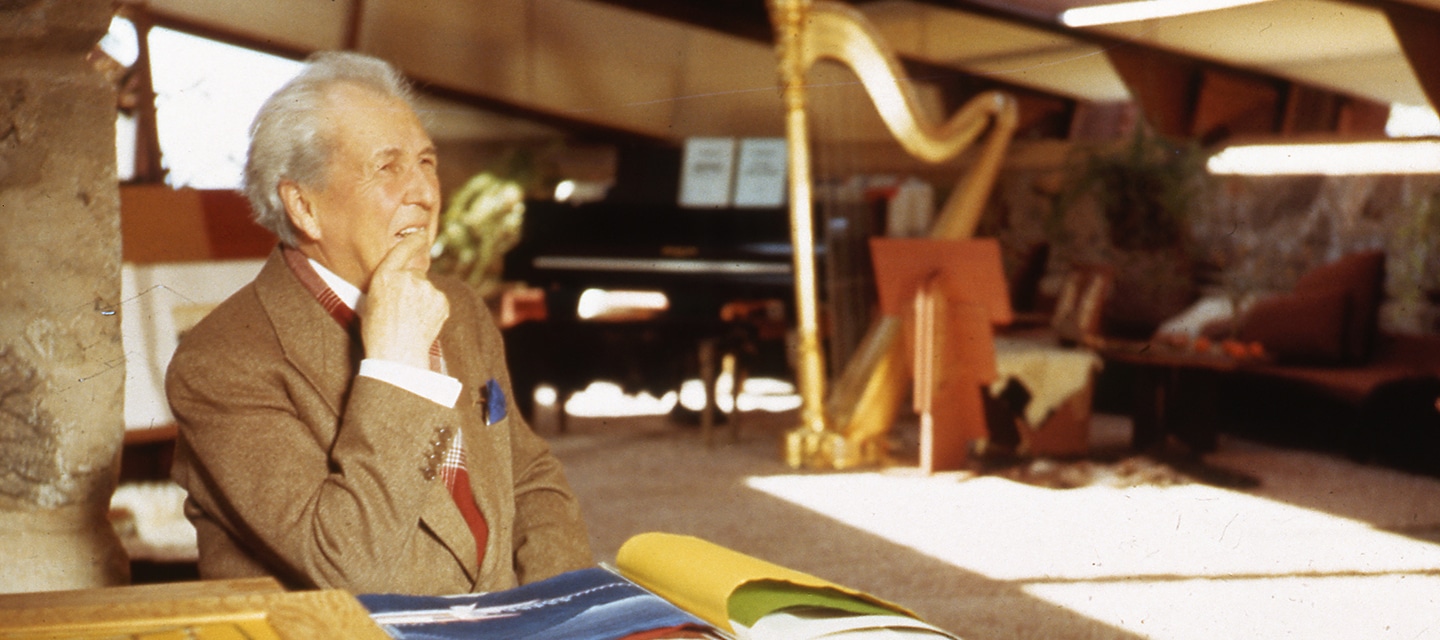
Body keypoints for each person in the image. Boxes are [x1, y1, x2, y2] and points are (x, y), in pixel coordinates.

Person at [166, 51, 593, 594]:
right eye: (387, 168)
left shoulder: (456, 306)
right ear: (304, 207)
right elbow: (349, 568)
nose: (423, 193)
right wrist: (397, 368)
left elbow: (530, 481)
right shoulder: (221, 364)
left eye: (426, 163)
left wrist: (561, 612)